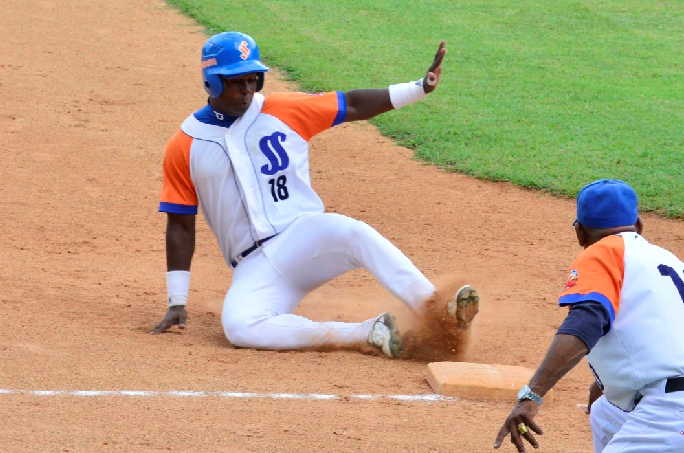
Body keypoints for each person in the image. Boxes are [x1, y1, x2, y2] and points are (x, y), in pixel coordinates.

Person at [150, 31, 479, 359]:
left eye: (254, 79)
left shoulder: (283, 109)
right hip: (253, 266)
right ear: (213, 82)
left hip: (304, 236)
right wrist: (176, 301)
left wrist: (419, 87)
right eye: (237, 82)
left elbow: (351, 104)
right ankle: (368, 332)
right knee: (239, 326)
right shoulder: (186, 144)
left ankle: (436, 309)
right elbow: (180, 224)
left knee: (349, 230)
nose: (247, 90)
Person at [493, 179, 684, 452]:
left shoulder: (603, 253)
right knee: (606, 410)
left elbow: (586, 321)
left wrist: (531, 395)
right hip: (669, 399)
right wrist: (605, 381)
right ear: (639, 225)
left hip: (669, 413)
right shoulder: (667, 259)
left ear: (580, 232)